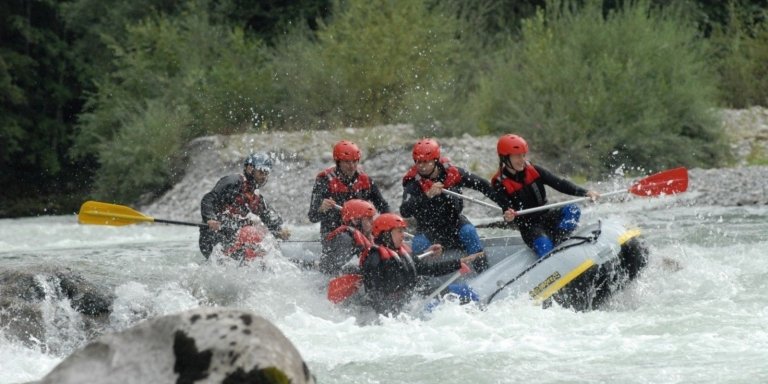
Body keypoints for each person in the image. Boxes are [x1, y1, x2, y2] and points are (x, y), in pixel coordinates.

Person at [490, 134, 600, 257]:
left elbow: (559, 184)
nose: (522, 160)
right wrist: (508, 215)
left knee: (573, 210)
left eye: (523, 155)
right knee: (544, 246)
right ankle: (550, 251)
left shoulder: (534, 170)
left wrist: (585, 192)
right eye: (517, 156)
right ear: (505, 158)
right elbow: (506, 207)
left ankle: (560, 240)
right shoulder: (499, 183)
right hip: (529, 227)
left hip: (547, 216)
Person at [400, 138, 495, 272]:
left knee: (469, 232)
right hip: (428, 228)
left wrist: (506, 205)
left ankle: (484, 273)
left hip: (454, 223)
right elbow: (404, 211)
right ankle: (424, 286)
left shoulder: (453, 173)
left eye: (425, 162)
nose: (421, 166)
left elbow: (483, 185)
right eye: (418, 162)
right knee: (418, 244)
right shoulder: (413, 183)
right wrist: (427, 196)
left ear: (435, 160)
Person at [360, 213, 481, 316]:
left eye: (403, 231)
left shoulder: (402, 253)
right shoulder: (374, 259)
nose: (403, 235)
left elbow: (430, 269)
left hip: (414, 298)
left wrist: (458, 263)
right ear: (385, 234)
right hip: (399, 309)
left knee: (466, 292)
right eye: (399, 231)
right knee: (437, 308)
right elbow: (374, 294)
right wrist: (392, 315)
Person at [199, 153, 290, 259]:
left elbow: (267, 215)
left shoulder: (256, 197)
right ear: (249, 169)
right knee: (250, 233)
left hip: (231, 237)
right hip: (212, 238)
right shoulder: (232, 182)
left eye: (266, 173)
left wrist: (279, 230)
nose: (264, 176)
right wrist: (210, 219)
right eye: (261, 172)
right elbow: (208, 199)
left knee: (262, 236)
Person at [308, 140, 390, 244]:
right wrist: (321, 208)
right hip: (334, 234)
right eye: (347, 162)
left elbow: (383, 205)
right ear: (338, 162)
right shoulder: (324, 181)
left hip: (362, 234)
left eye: (355, 161)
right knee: (345, 238)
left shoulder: (365, 180)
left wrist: (388, 223)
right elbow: (312, 217)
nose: (352, 166)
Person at [319, 199, 377, 275]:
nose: (373, 222)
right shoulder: (345, 239)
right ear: (355, 221)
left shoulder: (367, 236)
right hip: (326, 274)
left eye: (372, 218)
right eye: (369, 219)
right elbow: (330, 270)